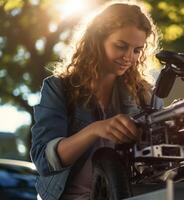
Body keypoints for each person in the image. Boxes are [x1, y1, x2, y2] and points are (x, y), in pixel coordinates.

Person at [30, 2, 162, 200]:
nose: (129, 57)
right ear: (97, 39)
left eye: (137, 50)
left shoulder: (145, 95)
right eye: (121, 46)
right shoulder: (59, 88)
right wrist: (94, 130)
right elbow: (44, 161)